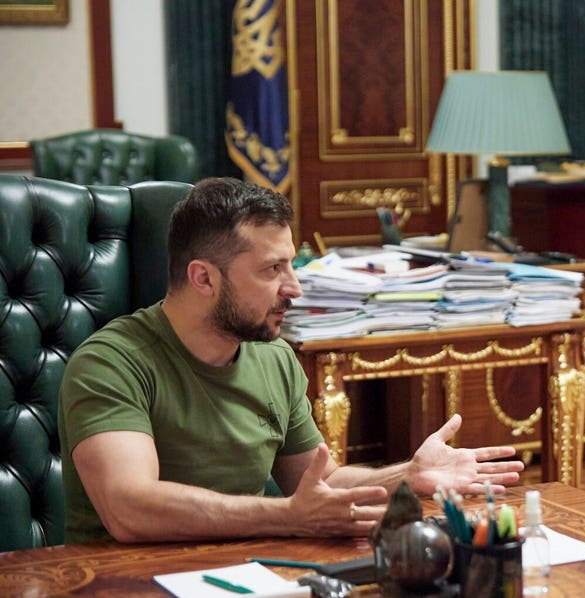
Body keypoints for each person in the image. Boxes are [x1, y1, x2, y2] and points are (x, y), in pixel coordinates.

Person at [59, 177, 524, 544]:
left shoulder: (275, 358)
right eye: (271, 270)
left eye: (290, 265)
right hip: (123, 593)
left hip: (246, 573)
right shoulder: (110, 364)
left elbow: (316, 486)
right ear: (202, 278)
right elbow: (129, 509)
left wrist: (409, 474)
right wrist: (286, 516)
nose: (294, 288)